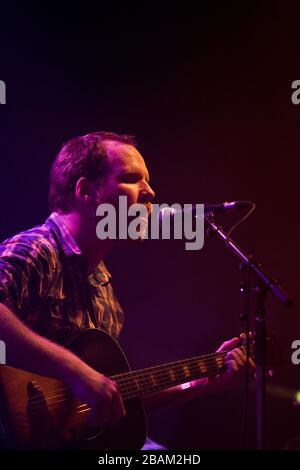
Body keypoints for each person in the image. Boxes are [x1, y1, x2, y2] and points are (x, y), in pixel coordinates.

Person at [0, 131, 251, 447]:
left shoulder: (104, 292)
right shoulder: (36, 250)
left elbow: (113, 399)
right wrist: (78, 372)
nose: (150, 192)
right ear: (86, 190)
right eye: (132, 179)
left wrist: (199, 384)